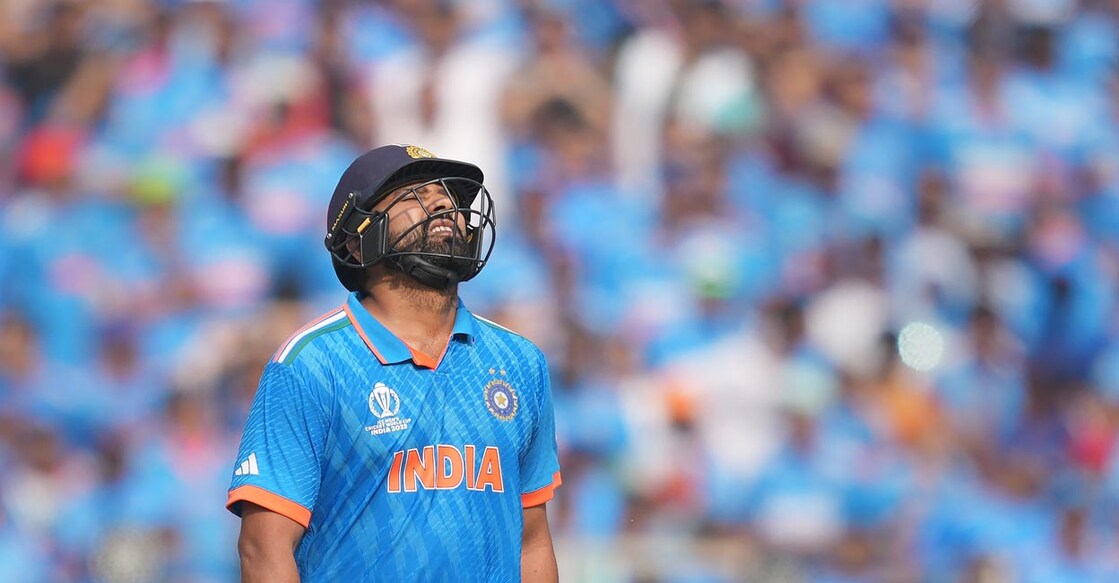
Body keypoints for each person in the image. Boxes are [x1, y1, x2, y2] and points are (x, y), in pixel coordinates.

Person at [225, 144, 561, 582]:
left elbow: (531, 540)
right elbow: (263, 549)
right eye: (413, 196)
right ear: (356, 239)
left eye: (451, 197)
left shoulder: (518, 361)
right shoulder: (312, 364)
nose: (443, 203)